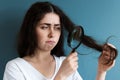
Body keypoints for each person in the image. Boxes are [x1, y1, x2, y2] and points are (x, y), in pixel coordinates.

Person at [3, 1, 117, 80]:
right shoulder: (16, 67)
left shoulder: (64, 63)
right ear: (31, 29)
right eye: (45, 27)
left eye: (57, 28)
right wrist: (61, 76)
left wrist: (101, 71)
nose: (52, 34)